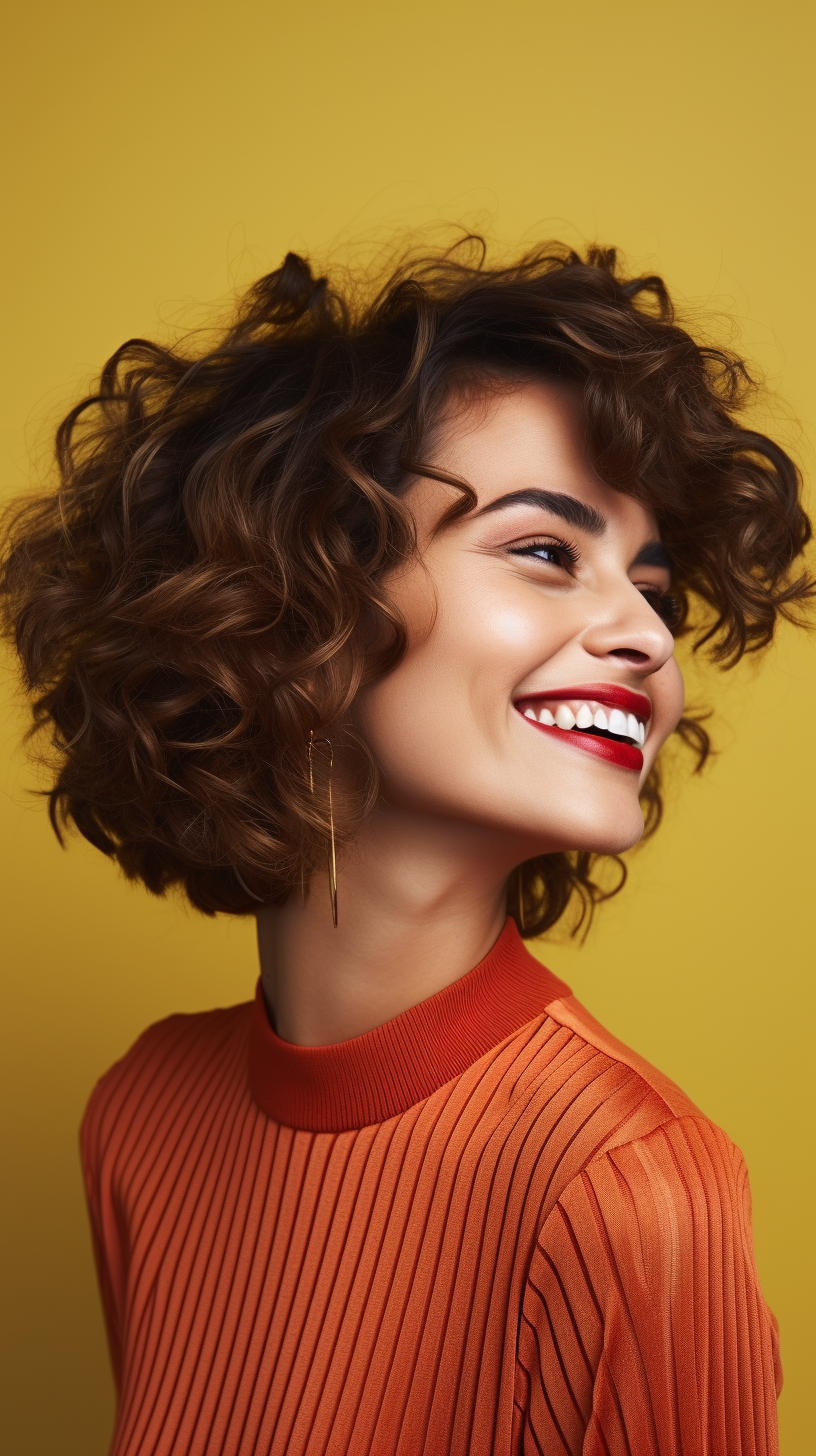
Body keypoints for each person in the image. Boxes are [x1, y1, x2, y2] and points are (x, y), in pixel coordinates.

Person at [1, 240, 810, 1455]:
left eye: (653, 586)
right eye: (547, 551)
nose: (646, 634)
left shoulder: (630, 1186)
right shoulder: (142, 1116)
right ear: (299, 604)